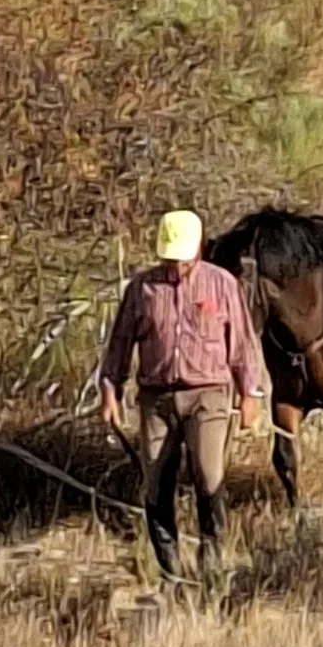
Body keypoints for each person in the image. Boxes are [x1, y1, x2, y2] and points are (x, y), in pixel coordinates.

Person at [98, 211, 265, 581]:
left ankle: (212, 556)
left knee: (209, 476)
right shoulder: (141, 290)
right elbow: (120, 344)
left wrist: (249, 393)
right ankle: (169, 567)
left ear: (199, 250)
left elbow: (241, 343)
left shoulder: (222, 285)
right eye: (170, 259)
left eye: (183, 259)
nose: (176, 267)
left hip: (208, 395)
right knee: (156, 483)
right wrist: (111, 390)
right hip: (156, 399)